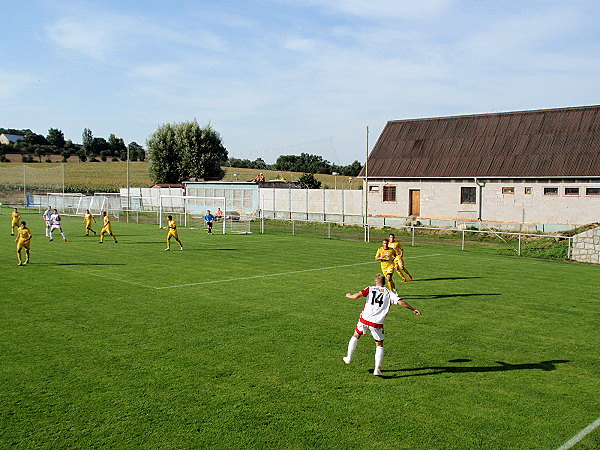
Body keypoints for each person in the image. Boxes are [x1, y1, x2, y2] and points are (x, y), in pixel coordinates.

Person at [343, 273, 422, 376]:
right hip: (377, 323)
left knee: (356, 335)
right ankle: (377, 369)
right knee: (379, 344)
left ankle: (349, 358)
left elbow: (356, 296)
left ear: (375, 282)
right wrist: (413, 309)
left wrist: (349, 295)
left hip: (364, 319)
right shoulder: (389, 293)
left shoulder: (370, 289)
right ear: (384, 283)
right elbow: (401, 303)